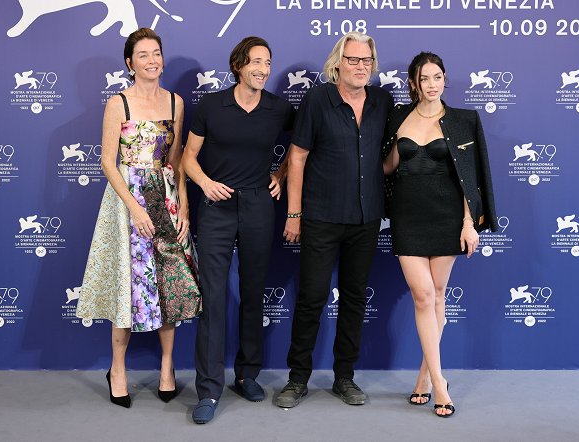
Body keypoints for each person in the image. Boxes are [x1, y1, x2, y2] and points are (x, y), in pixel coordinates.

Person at [76, 28, 201, 408]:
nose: (152, 60)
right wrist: (134, 207)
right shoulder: (119, 103)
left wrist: (185, 207)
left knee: (168, 283)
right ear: (130, 63)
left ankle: (167, 368)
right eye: (143, 54)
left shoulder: (176, 103)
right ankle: (118, 369)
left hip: (166, 198)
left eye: (157, 53)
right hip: (127, 201)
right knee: (125, 286)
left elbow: (177, 160)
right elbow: (106, 162)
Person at [276, 32, 393, 408]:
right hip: (322, 217)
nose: (361, 67)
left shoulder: (382, 101)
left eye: (367, 61)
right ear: (338, 63)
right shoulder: (317, 99)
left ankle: (345, 377)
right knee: (311, 298)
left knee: (355, 299)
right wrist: (294, 213)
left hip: (366, 217)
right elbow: (296, 158)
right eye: (354, 60)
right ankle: (297, 379)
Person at [182, 36, 294, 424]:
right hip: (216, 206)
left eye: (268, 62)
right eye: (256, 62)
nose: (263, 69)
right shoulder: (212, 105)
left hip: (259, 206)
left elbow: (301, 148)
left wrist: (280, 174)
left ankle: (247, 374)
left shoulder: (279, 108)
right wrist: (204, 183)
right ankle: (209, 390)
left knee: (252, 291)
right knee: (212, 298)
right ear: (238, 66)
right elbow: (187, 158)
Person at [382, 51, 498, 417]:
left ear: (445, 79)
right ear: (413, 83)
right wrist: (395, 147)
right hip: (407, 215)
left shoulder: (464, 120)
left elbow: (471, 177)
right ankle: (440, 383)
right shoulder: (398, 116)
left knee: (437, 295)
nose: (431, 85)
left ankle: (424, 378)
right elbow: (387, 167)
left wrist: (469, 223)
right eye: (424, 79)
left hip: (447, 216)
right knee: (423, 295)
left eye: (437, 77)